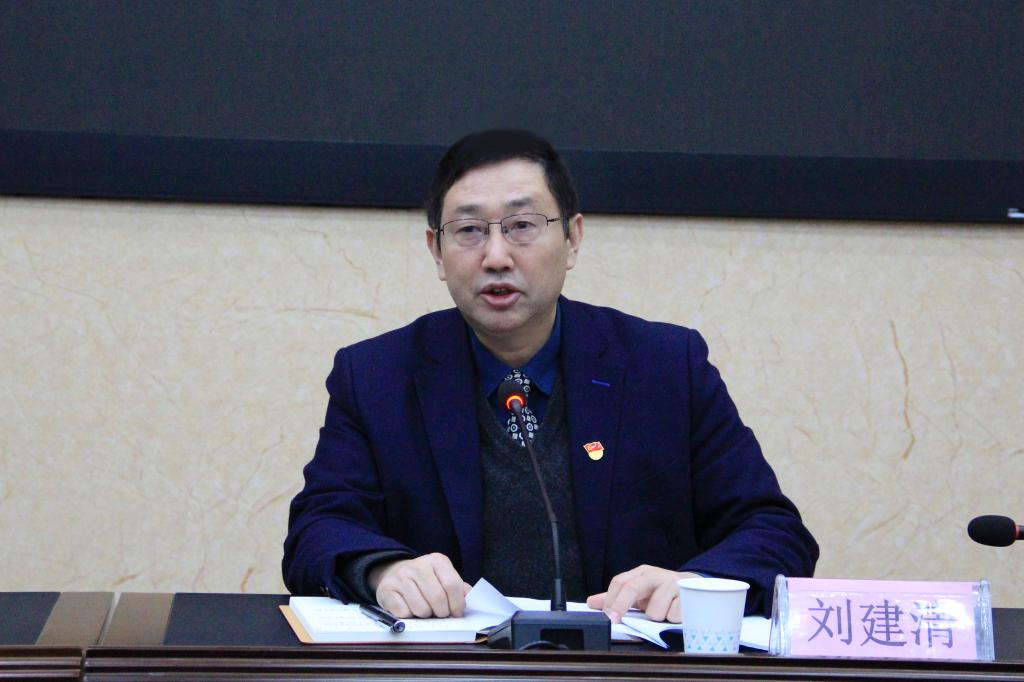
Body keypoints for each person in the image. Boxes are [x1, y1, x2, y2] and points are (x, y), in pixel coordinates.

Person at [283, 129, 818, 624]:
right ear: (437, 252)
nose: (496, 256)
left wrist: (700, 584)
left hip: (627, 675)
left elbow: (774, 532)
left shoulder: (665, 366)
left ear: (573, 238)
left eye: (522, 226)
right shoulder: (376, 376)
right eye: (469, 231)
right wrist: (382, 570)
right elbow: (316, 531)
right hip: (451, 675)